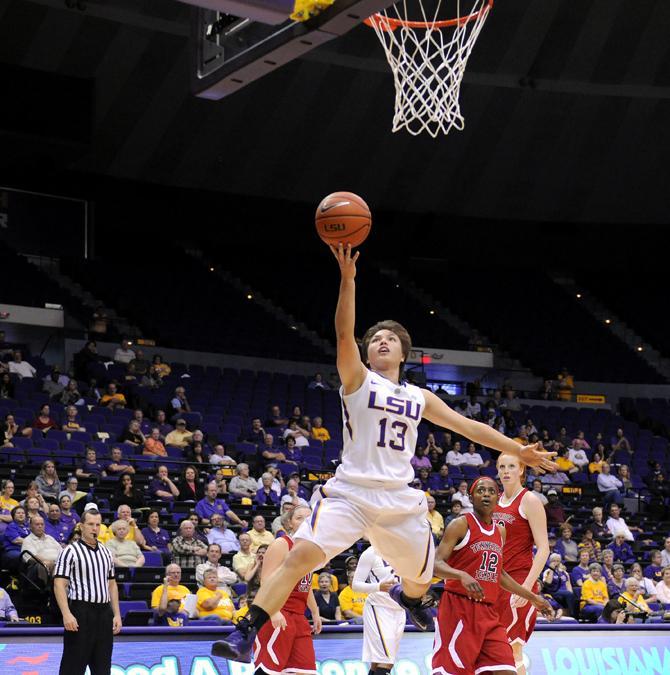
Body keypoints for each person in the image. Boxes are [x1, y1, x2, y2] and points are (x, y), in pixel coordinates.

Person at [211, 244, 554, 662]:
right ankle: (247, 631)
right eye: (375, 339)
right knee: (301, 555)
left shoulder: (420, 396)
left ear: (404, 353)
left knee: (420, 577)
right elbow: (342, 333)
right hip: (351, 492)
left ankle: (409, 599)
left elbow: (469, 427)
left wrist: (520, 449)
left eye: (390, 338)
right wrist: (348, 280)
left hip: (398, 498)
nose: (382, 342)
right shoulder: (357, 380)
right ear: (367, 352)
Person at [432, 477, 551, 675]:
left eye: (491, 491)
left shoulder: (500, 531)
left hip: (489, 612)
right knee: (451, 671)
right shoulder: (460, 525)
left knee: (506, 669)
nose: (486, 494)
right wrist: (461, 575)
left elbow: (500, 574)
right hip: (459, 607)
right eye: (480, 490)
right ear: (471, 497)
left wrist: (532, 597)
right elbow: (435, 564)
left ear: (498, 498)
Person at [240, 505, 322, 674]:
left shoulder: (311, 548)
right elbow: (266, 579)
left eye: (308, 517)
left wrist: (315, 612)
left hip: (299, 617)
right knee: (269, 670)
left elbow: (305, 585)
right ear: (289, 523)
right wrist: (274, 611)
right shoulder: (281, 543)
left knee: (303, 671)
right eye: (299, 518)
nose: (305, 521)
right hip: (278, 611)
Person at [493, 454, 549, 675]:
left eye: (511, 466)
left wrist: (526, 588)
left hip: (519, 582)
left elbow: (544, 548)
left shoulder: (530, 501)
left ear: (521, 470)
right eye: (502, 467)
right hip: (494, 583)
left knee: (513, 651)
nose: (506, 471)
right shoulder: (495, 501)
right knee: (492, 651)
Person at [53, 508, 122, 675]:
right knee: (73, 666)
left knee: (102, 667)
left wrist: (117, 614)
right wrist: (66, 614)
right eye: (90, 524)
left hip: (104, 613)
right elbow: (59, 584)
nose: (94, 528)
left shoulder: (106, 552)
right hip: (80, 611)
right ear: (81, 526)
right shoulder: (70, 551)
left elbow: (112, 585)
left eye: (98, 525)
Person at [353, 544, 406, 675]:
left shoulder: (406, 549)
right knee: (386, 660)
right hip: (379, 607)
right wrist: (378, 587)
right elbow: (355, 584)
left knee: (378, 663)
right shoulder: (371, 553)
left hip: (400, 608)